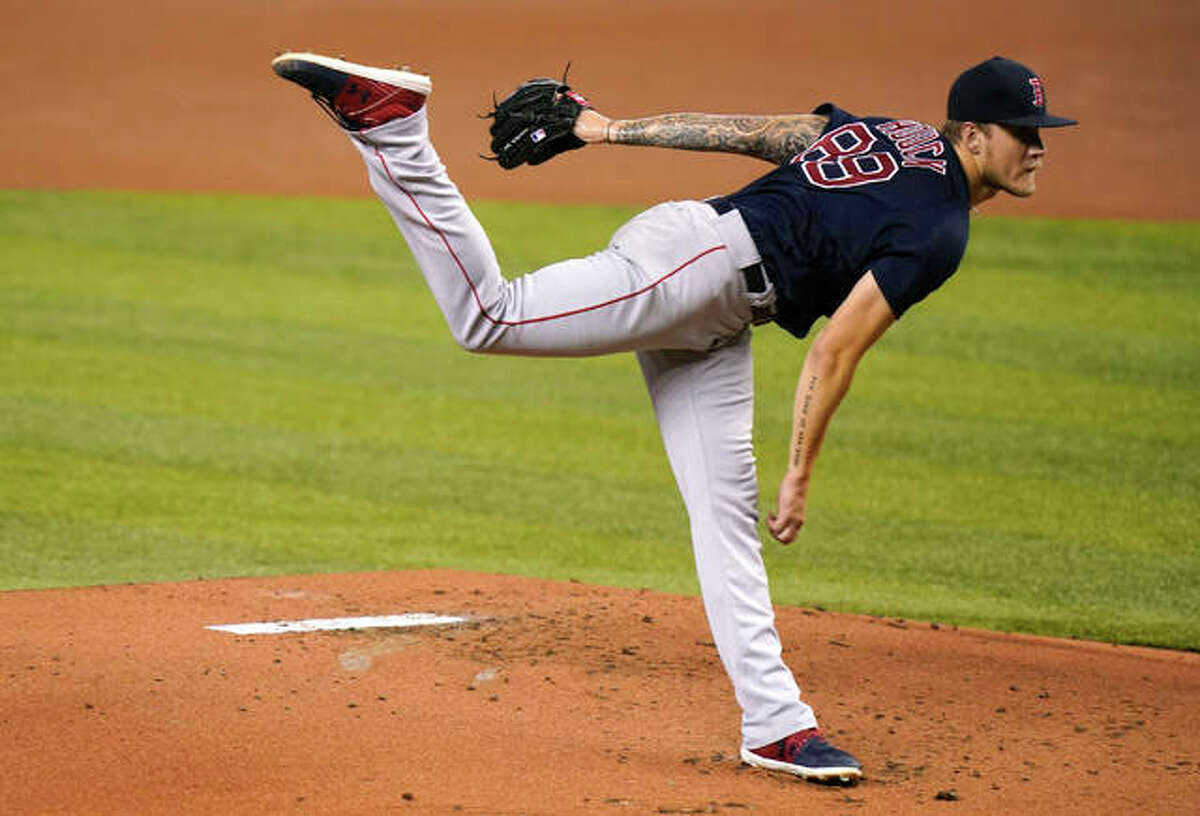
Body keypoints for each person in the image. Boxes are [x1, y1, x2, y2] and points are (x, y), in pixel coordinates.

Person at [271, 52, 1076, 783]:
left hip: (715, 302)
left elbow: (753, 134)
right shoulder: (940, 229)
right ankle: (394, 132)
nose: (1038, 146)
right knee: (490, 316)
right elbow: (834, 352)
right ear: (973, 134)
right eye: (1023, 132)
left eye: (1042, 132)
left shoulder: (895, 137)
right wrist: (799, 472)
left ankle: (777, 727)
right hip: (694, 272)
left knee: (724, 515)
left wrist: (607, 128)